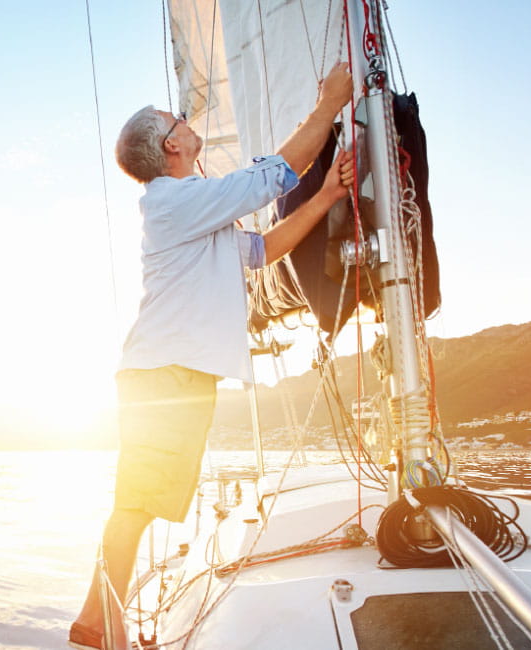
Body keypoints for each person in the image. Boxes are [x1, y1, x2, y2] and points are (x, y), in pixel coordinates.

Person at [68, 62, 356, 650]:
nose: (185, 118)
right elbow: (271, 177)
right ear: (172, 145)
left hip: (173, 373)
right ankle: (96, 627)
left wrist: (327, 195)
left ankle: (102, 622)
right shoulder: (173, 200)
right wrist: (328, 104)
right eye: (175, 118)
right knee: (137, 503)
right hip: (162, 374)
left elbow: (262, 249)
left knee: (145, 503)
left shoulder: (194, 208)